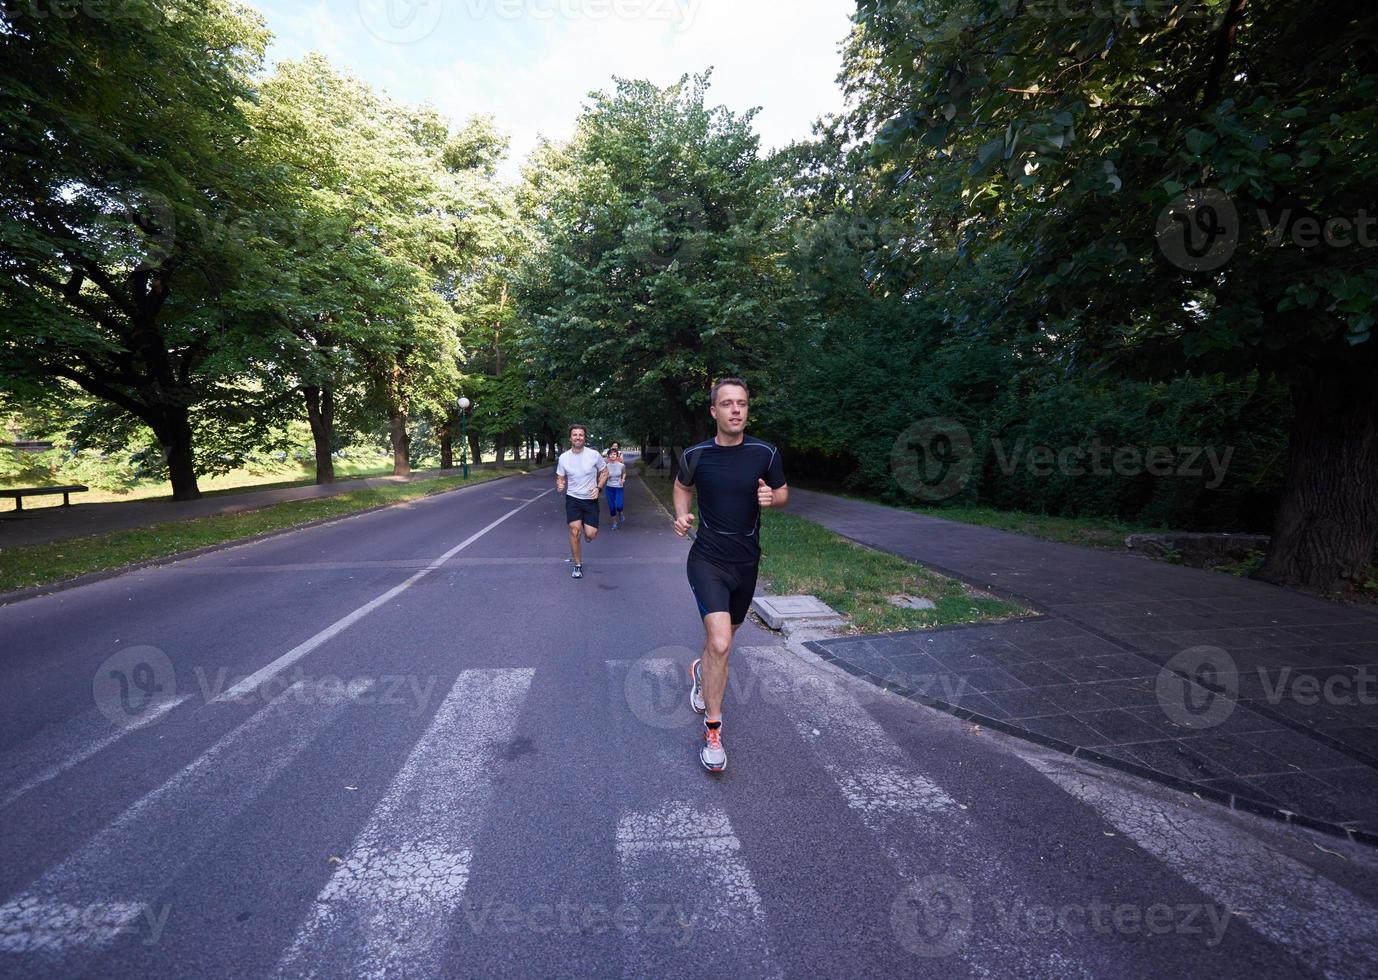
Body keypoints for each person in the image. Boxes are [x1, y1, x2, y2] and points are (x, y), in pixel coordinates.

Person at [673, 378, 788, 772]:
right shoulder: (696, 454)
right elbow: (680, 486)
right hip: (706, 559)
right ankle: (714, 733)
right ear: (714, 411)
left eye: (741, 403)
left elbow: (784, 492)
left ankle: (700, 670)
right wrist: (681, 513)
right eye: (727, 404)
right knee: (720, 643)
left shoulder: (765, 452)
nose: (735, 410)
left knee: (723, 640)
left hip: (746, 564)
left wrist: (773, 498)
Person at [556, 424, 607, 579]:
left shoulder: (594, 455)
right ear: (570, 437)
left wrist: (598, 488)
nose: (578, 437)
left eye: (581, 435)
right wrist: (560, 484)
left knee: (591, 534)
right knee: (574, 531)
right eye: (575, 435)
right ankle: (577, 565)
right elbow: (560, 476)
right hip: (573, 499)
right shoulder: (564, 457)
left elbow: (605, 472)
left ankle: (588, 532)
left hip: (590, 499)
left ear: (585, 437)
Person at [605, 450, 627, 529]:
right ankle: (614, 523)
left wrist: (623, 479)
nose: (613, 456)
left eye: (614, 454)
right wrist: (607, 477)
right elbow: (602, 476)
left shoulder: (621, 465)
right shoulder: (606, 466)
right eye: (611, 454)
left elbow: (624, 473)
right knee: (612, 507)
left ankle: (620, 512)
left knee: (619, 505)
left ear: (617, 456)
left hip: (618, 487)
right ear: (608, 456)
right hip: (609, 488)